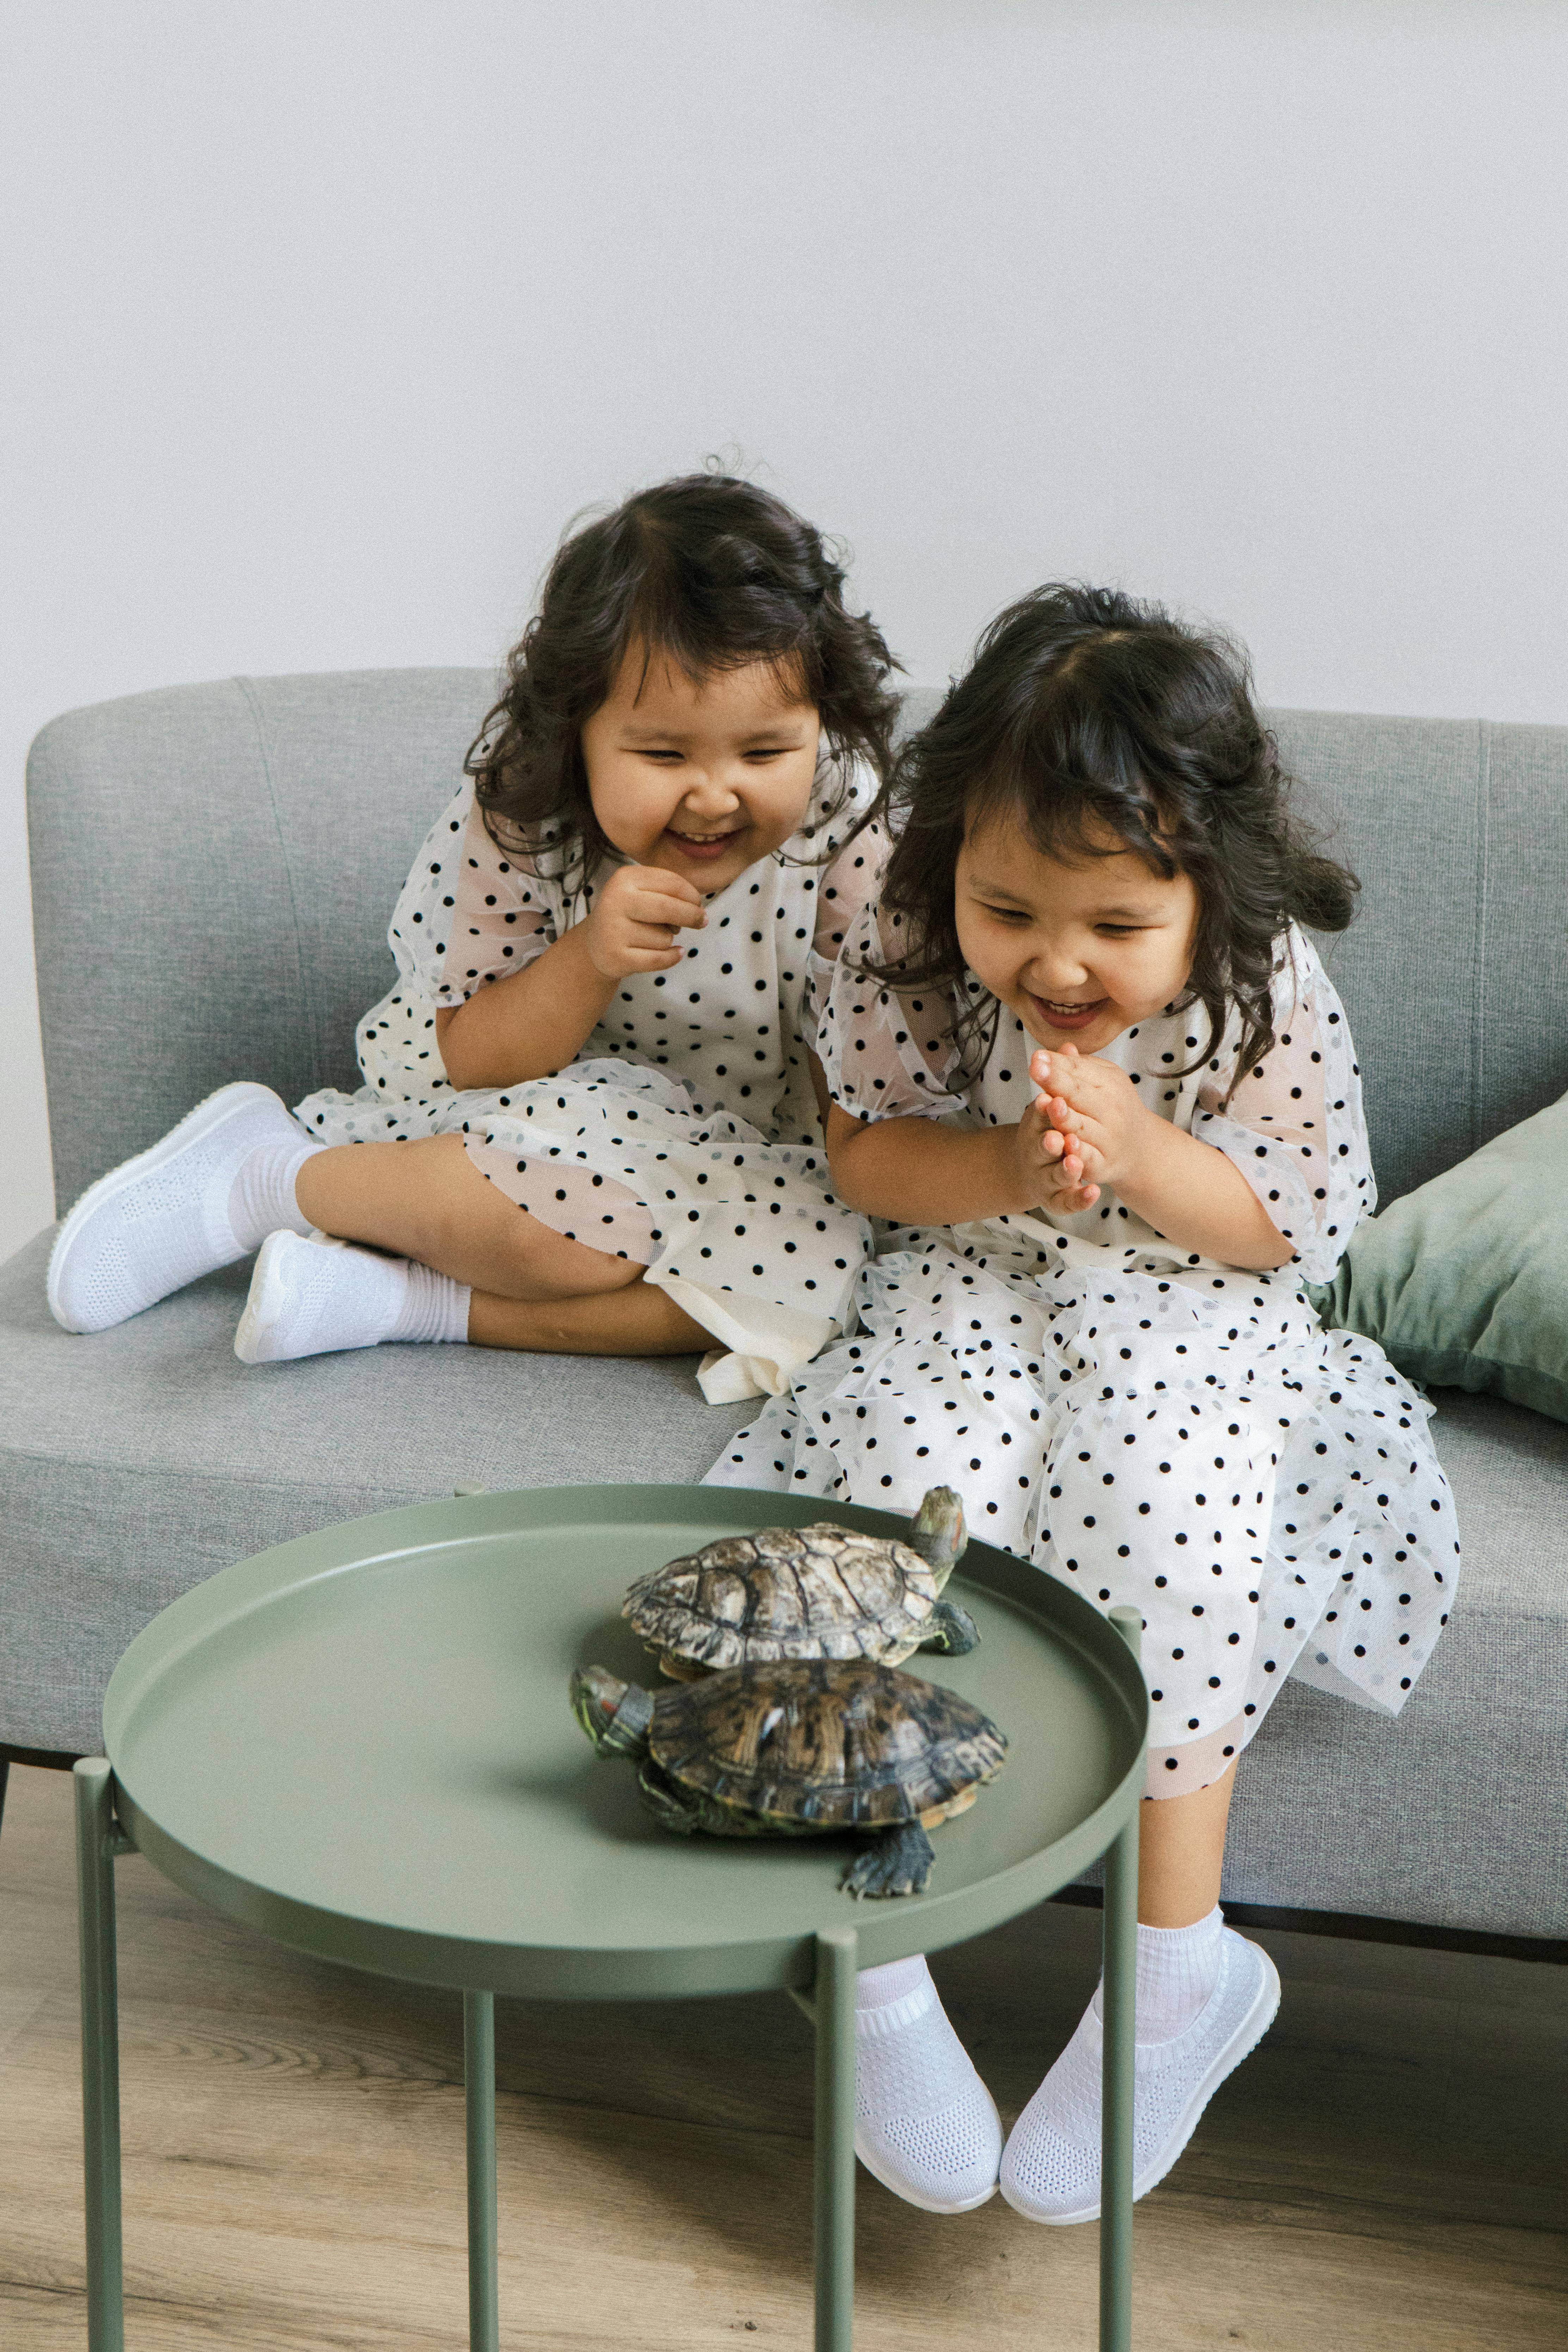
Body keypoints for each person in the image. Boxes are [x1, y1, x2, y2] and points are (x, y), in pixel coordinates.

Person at [708, 584, 1461, 2220]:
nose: (1054, 965)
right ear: (952, 861)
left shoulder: (1266, 995)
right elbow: (867, 1155)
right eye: (1010, 910)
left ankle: (1179, 1967)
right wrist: (1005, 1169)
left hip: (1198, 1295)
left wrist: (1140, 1156)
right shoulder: (903, 932)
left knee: (1171, 1524)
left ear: (1213, 892)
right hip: (974, 1271)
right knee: (902, 1486)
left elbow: (1295, 1224)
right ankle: (873, 1948)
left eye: (1115, 930)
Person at [48, 473, 898, 1395]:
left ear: (823, 727)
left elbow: (849, 1076)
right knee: (586, 1222)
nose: (714, 793)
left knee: (827, 1278)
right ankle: (270, 1177)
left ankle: (391, 1301)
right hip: (540, 1111)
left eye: (764, 752)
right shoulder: (526, 816)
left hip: (737, 1148)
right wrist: (591, 957)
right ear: (578, 731)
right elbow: (477, 1055)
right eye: (662, 754)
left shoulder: (841, 828)